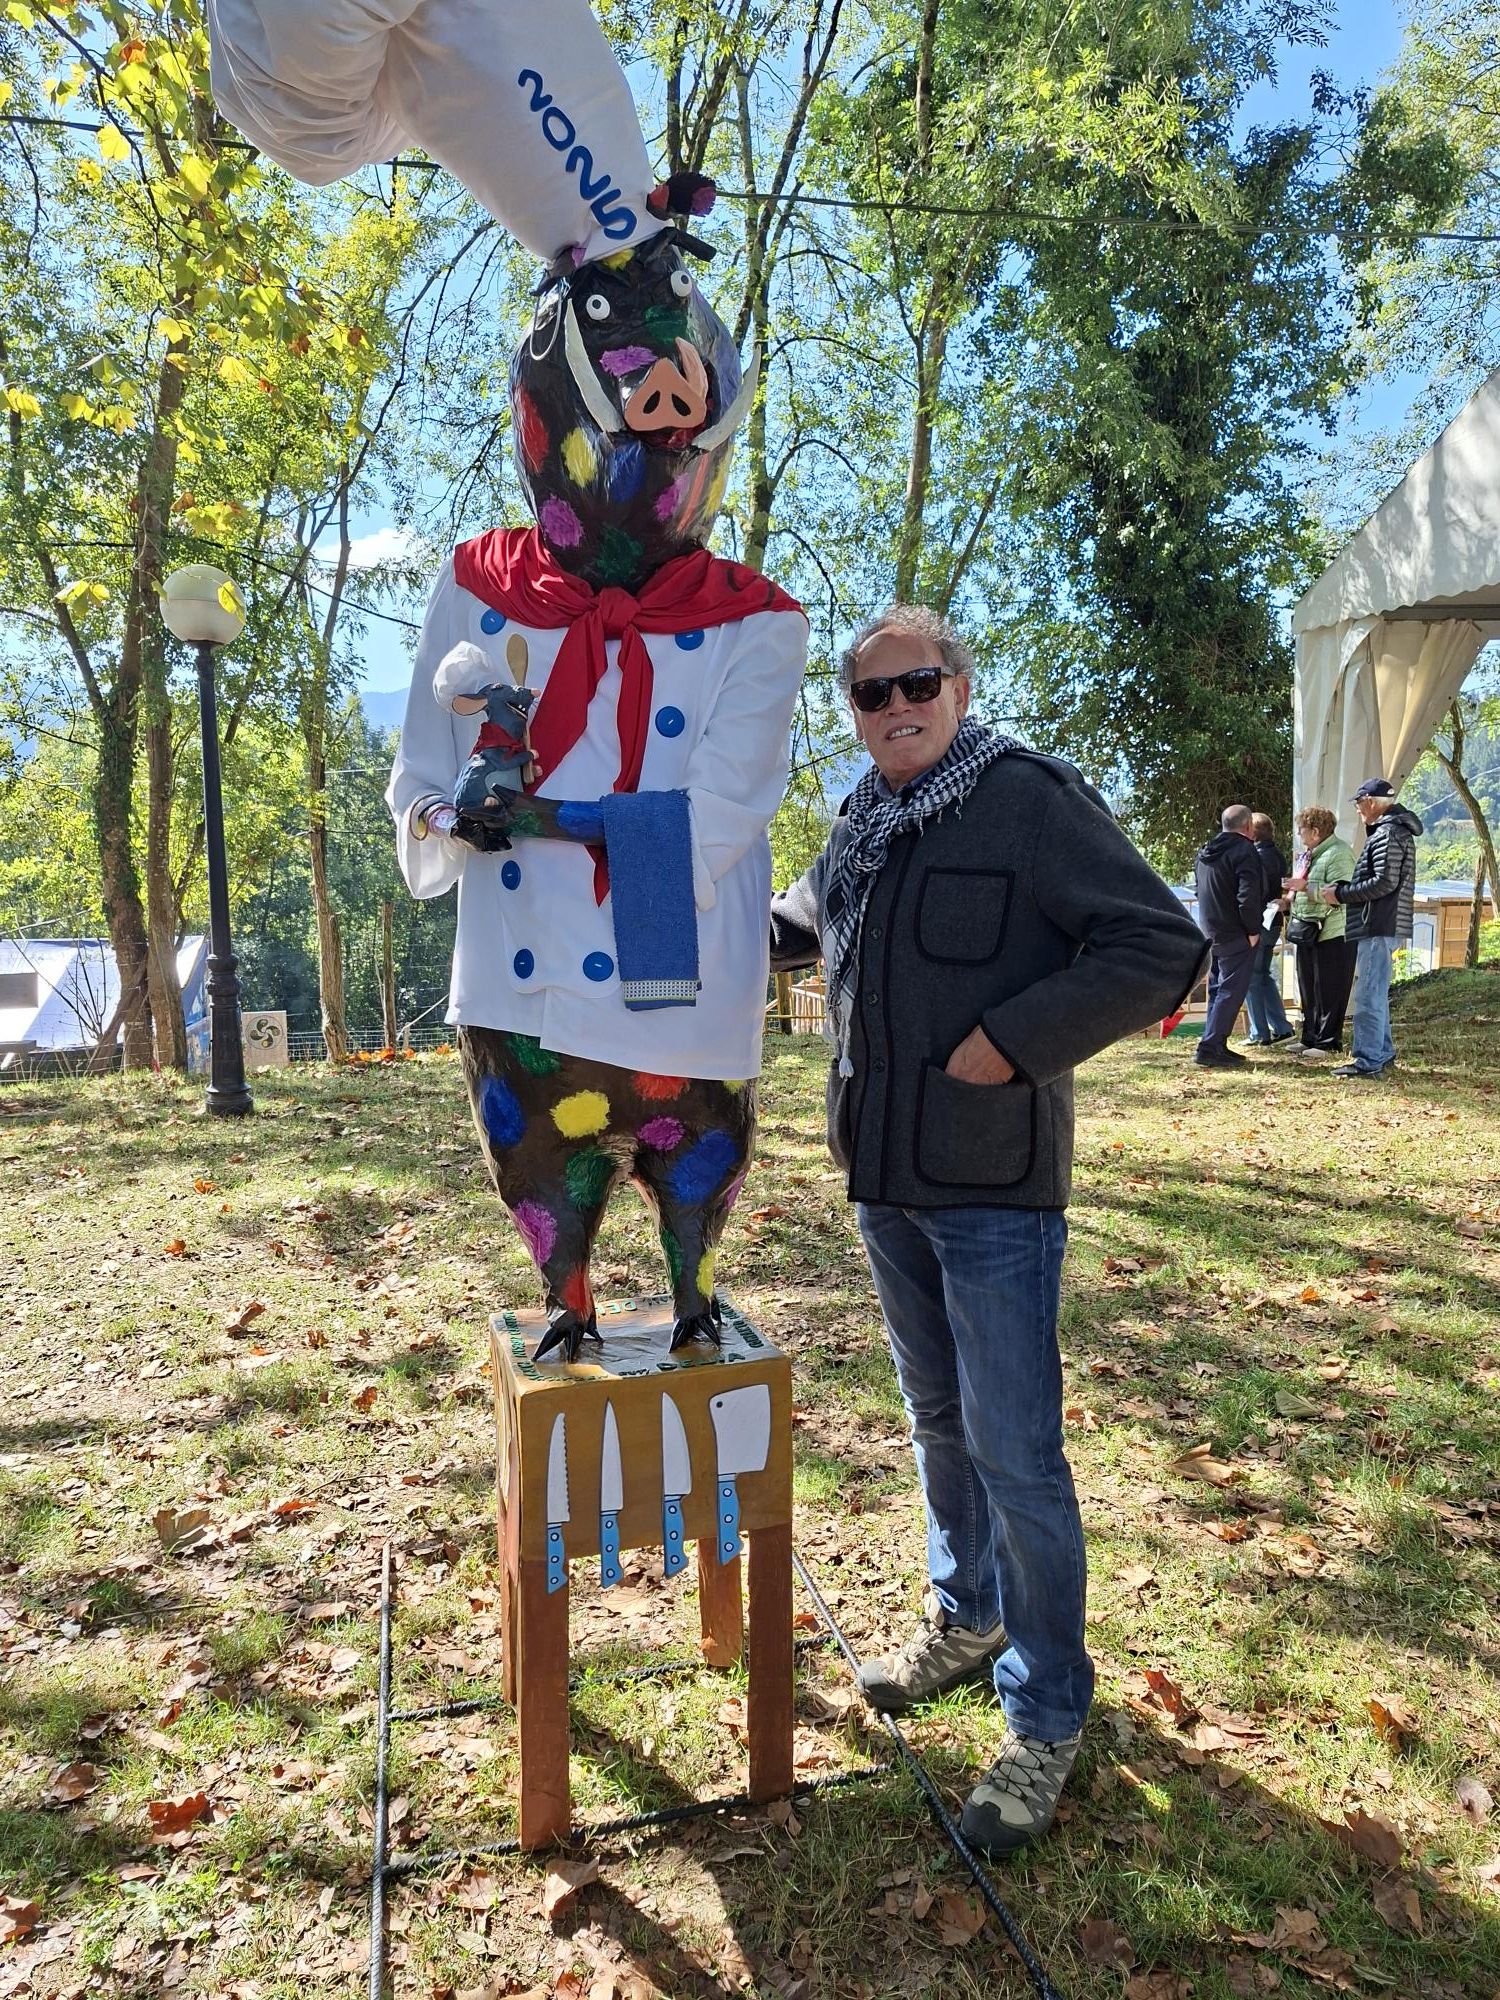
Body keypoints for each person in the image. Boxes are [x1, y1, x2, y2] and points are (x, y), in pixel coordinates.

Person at [768, 605, 1205, 1854]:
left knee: (1017, 1453)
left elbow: (1158, 942)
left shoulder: (1026, 799)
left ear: (958, 685)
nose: (895, 706)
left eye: (917, 683)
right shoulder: (861, 818)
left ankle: (1050, 1710)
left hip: (997, 1189)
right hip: (887, 1180)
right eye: (869, 693)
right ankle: (968, 1614)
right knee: (940, 1422)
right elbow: (806, 921)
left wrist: (1014, 1040)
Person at [1322, 778, 1424, 1078]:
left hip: (1379, 922)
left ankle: (1368, 1061)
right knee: (1375, 991)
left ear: (1371, 801)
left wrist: (1341, 894)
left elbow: (1384, 882)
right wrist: (1344, 889)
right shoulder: (1392, 830)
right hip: (1383, 921)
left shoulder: (1388, 832)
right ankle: (1382, 1054)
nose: (1357, 810)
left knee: (1368, 993)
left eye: (1358, 803)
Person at [1192, 805, 1263, 1068]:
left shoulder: (1204, 852)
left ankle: (1215, 1042)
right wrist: (1253, 930)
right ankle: (1210, 1047)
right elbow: (1248, 895)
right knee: (1231, 990)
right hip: (1236, 931)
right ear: (1248, 827)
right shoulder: (1245, 851)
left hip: (1211, 929)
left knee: (1218, 988)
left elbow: (1200, 890)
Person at [1286, 806, 1356, 1060]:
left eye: (1301, 830)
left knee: (1330, 987)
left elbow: (1341, 893)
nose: (1299, 834)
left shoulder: (1339, 854)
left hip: (1333, 931)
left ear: (1315, 831)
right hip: (1308, 929)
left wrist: (1306, 887)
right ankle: (1310, 1036)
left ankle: (1328, 1041)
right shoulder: (1310, 855)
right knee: (1309, 986)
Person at [1242, 813, 1294, 1048]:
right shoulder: (1276, 855)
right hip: (1273, 921)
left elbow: (1255, 891)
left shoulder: (1257, 858)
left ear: (1251, 832)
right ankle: (1282, 1027)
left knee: (1251, 977)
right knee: (1263, 974)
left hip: (1261, 921)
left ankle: (1259, 1032)